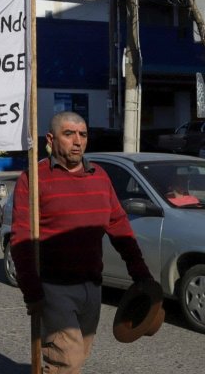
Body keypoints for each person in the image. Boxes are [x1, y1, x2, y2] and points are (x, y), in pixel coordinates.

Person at [10, 112, 155, 373]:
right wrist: (31, 291)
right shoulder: (32, 178)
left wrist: (141, 275)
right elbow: (21, 239)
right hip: (54, 288)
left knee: (78, 357)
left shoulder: (99, 176)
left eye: (83, 134)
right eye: (69, 134)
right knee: (67, 359)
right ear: (52, 139)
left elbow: (120, 228)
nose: (77, 141)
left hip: (92, 286)